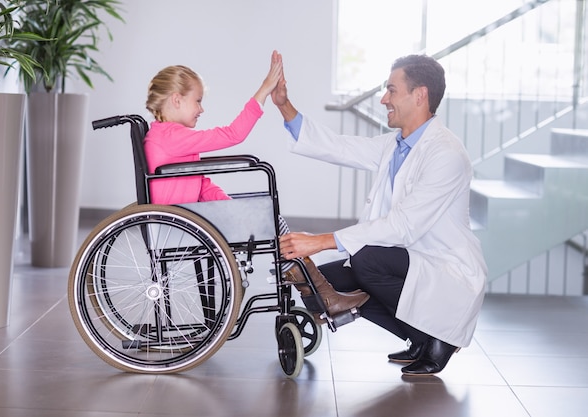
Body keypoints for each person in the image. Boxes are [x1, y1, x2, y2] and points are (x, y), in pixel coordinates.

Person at [271, 53, 487, 375]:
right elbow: (338, 146)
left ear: (420, 95)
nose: (384, 99)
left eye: (391, 90)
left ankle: (438, 338)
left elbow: (403, 225)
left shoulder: (446, 154)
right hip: (407, 257)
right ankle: (417, 339)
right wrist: (284, 105)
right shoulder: (394, 145)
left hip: (443, 265)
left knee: (366, 260)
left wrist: (319, 241)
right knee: (323, 284)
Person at [143, 51, 369, 320]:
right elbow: (233, 134)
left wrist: (233, 210)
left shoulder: (166, 136)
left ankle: (314, 289)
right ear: (177, 99)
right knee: (272, 218)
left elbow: (200, 181)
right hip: (181, 222)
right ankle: (318, 291)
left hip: (187, 216)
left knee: (269, 217)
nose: (202, 109)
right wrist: (263, 90)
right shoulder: (171, 136)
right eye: (198, 101)